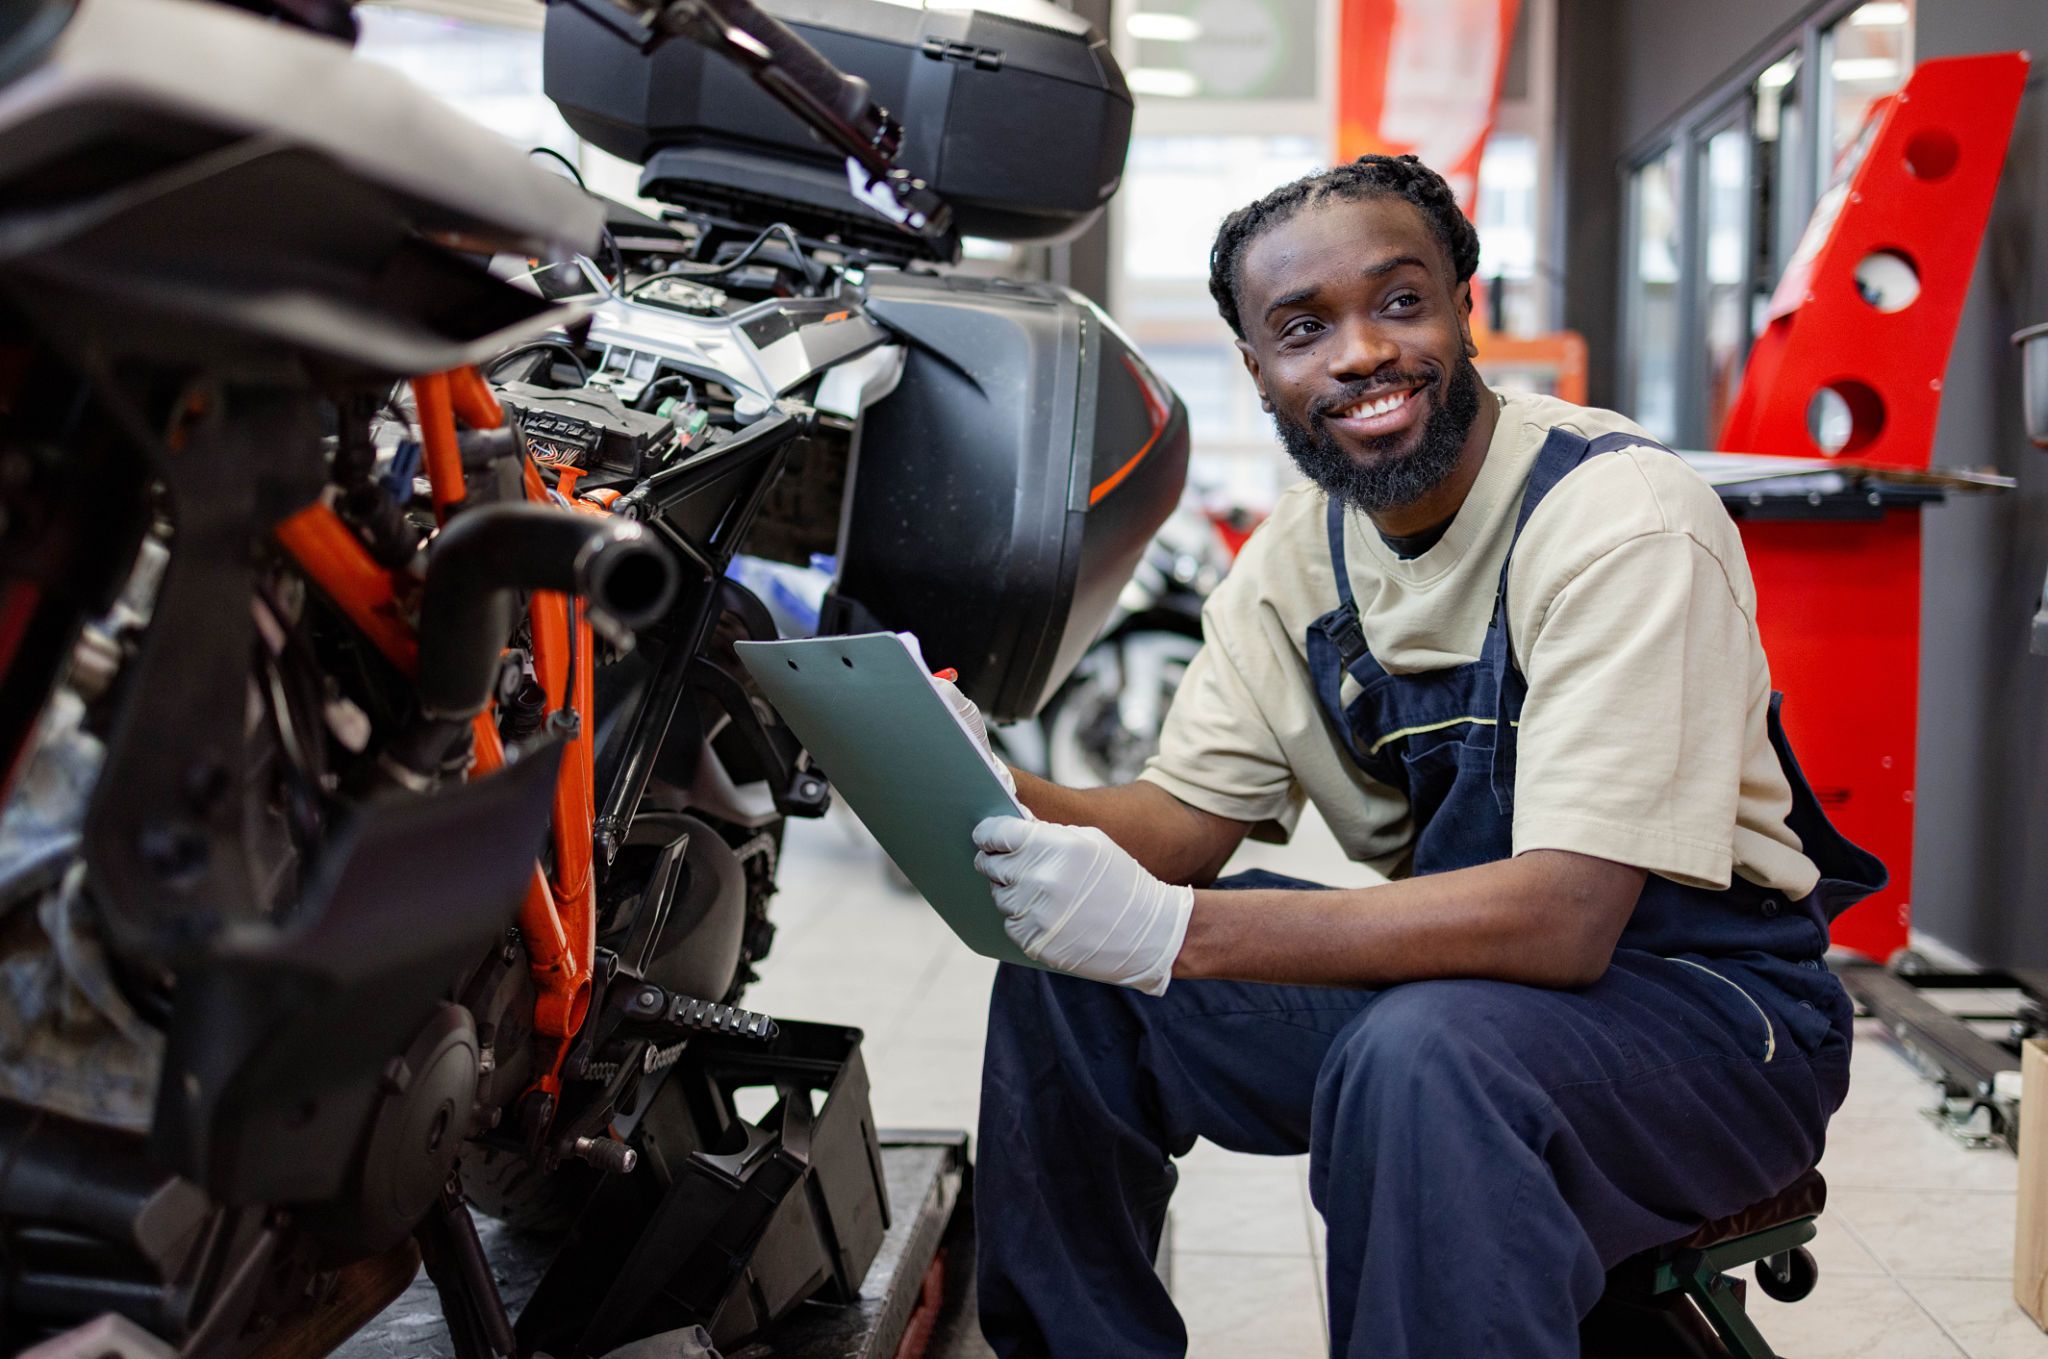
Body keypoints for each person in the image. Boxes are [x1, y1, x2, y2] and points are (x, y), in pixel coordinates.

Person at [950, 155, 1885, 1359]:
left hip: (1711, 1019)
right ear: (1257, 371)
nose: (1358, 354)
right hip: (1463, 998)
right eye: (1301, 328)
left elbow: (1562, 919)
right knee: (1069, 977)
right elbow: (1177, 824)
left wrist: (1174, 931)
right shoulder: (1297, 558)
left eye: (1399, 302)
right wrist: (981, 778)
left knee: (1424, 1059)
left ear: (1463, 309)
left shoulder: (1618, 520)